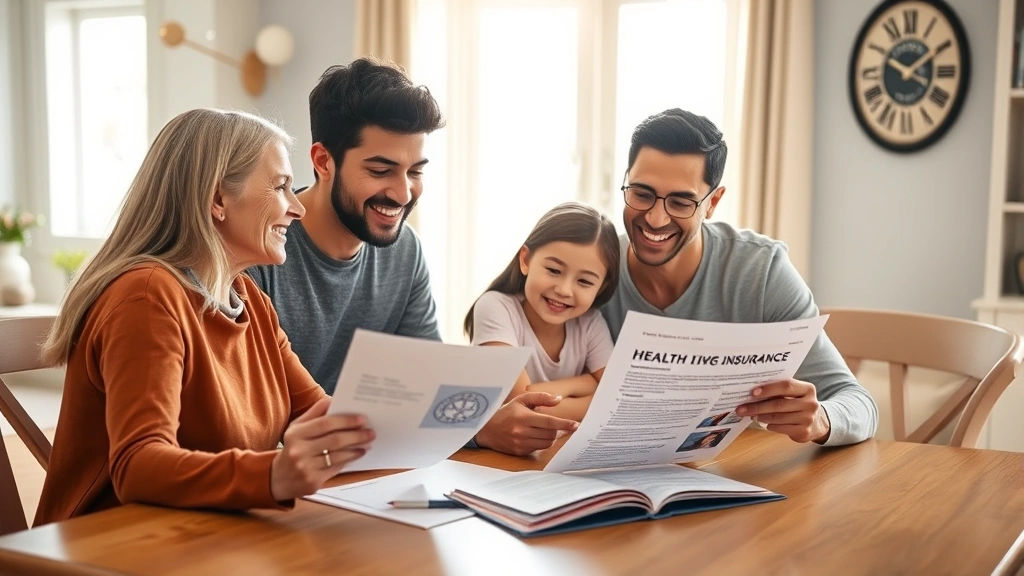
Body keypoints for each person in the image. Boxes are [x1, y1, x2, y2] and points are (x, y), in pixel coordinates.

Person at [34, 109, 375, 526]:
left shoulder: (249, 299)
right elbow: (138, 466)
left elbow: (318, 413)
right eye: (281, 187)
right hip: (112, 550)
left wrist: (395, 414)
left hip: (210, 535)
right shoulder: (147, 296)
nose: (297, 209)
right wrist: (274, 474)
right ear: (217, 200)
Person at [601, 108, 878, 446]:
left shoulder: (761, 271)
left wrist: (820, 419)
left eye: (681, 202)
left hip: (731, 475)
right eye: (642, 194)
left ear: (712, 202)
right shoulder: (592, 270)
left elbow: (858, 402)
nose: (656, 219)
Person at [247, 57, 444, 395]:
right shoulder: (257, 249)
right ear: (324, 162)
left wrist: (484, 427)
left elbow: (426, 381)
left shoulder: (405, 251)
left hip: (368, 443)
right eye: (381, 171)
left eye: (415, 172)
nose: (403, 193)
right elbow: (247, 405)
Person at [464, 202, 620, 422]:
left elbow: (616, 400)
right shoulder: (496, 308)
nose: (564, 290)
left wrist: (556, 388)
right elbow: (521, 406)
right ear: (525, 260)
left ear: (601, 287)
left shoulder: (590, 323)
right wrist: (589, 384)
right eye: (554, 270)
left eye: (584, 281)